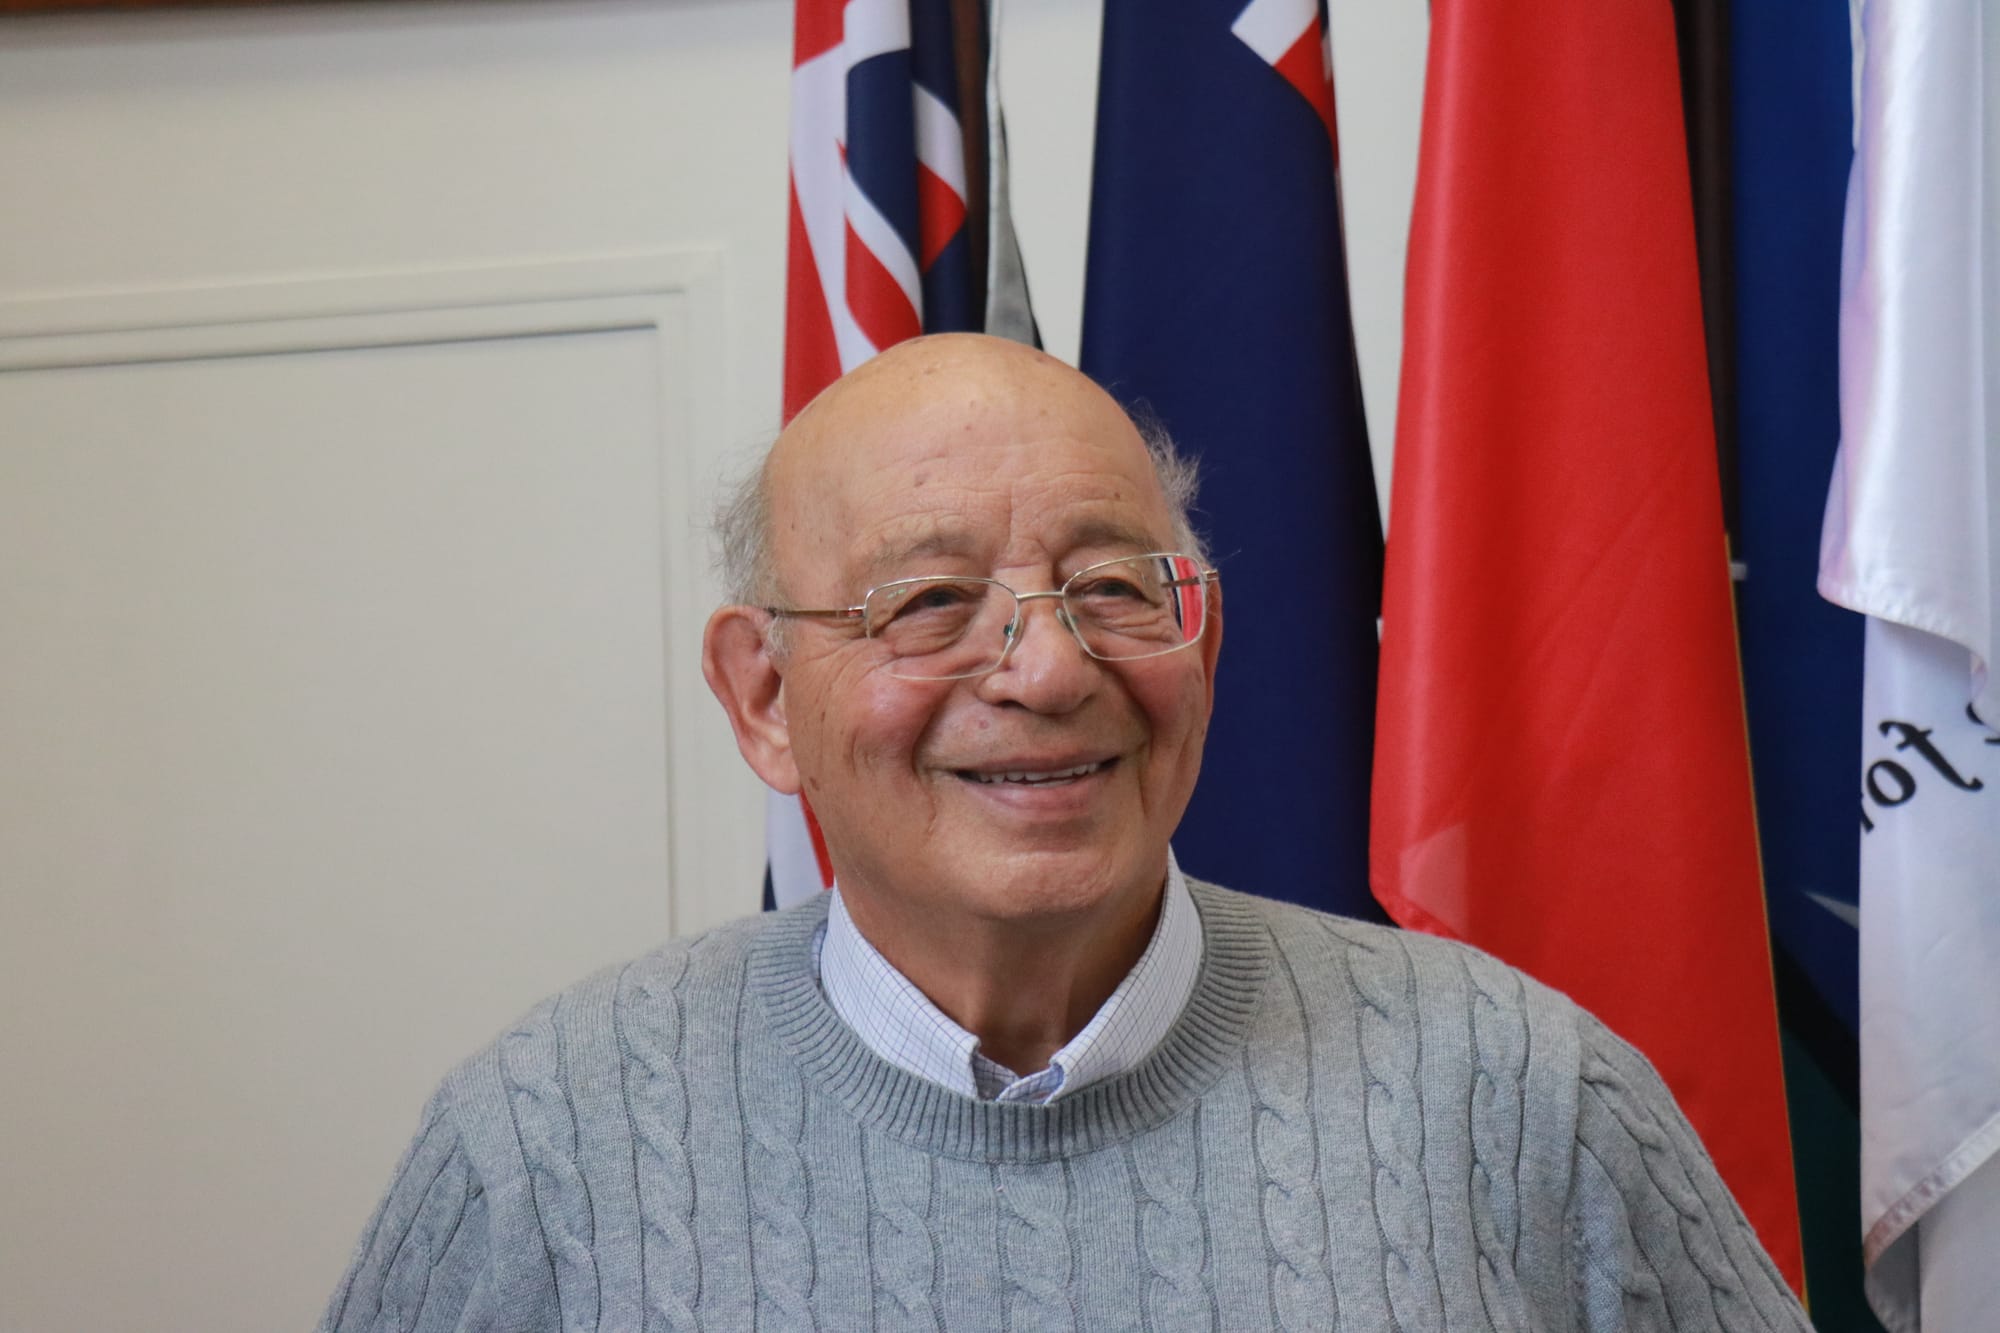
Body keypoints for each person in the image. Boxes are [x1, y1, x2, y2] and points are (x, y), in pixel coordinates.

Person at [320, 334, 1812, 1331]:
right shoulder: (543, 1149)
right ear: (764, 695)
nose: (1045, 670)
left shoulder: (1525, 1097)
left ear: (1202, 647)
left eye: (1112, 586)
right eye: (929, 602)